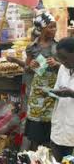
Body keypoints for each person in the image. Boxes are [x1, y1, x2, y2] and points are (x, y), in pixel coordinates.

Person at [24, 12, 60, 151]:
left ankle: (48, 156)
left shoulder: (58, 46)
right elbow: (26, 70)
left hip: (54, 90)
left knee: (50, 125)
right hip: (37, 92)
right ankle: (35, 156)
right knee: (35, 127)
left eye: (55, 27)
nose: (54, 30)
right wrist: (30, 65)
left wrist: (56, 64)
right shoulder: (32, 47)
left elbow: (68, 67)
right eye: (51, 27)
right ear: (42, 28)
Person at [49, 37, 74, 162]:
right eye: (59, 58)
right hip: (59, 127)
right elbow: (57, 89)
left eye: (64, 57)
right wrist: (52, 93)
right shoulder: (63, 69)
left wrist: (72, 94)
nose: (62, 61)